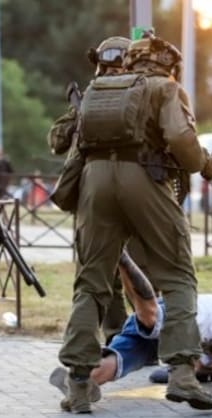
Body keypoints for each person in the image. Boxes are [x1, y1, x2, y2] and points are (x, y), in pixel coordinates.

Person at [56, 32, 212, 414]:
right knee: (178, 275)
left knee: (91, 282)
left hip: (94, 184)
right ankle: (183, 375)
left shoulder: (97, 89)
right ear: (168, 65)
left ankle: (79, 384)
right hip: (144, 178)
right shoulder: (164, 88)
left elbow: (71, 144)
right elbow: (183, 143)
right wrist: (207, 164)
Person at [49, 251, 212, 396]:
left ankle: (81, 385)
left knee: (125, 358)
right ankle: (122, 257)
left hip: (177, 338)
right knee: (149, 317)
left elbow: (200, 365)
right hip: (181, 313)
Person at [47, 36, 138, 345]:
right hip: (131, 194)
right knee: (111, 271)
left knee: (99, 271)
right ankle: (121, 334)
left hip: (95, 195)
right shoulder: (140, 94)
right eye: (108, 69)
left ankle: (117, 337)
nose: (112, 75)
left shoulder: (97, 97)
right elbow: (58, 139)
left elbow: (56, 142)